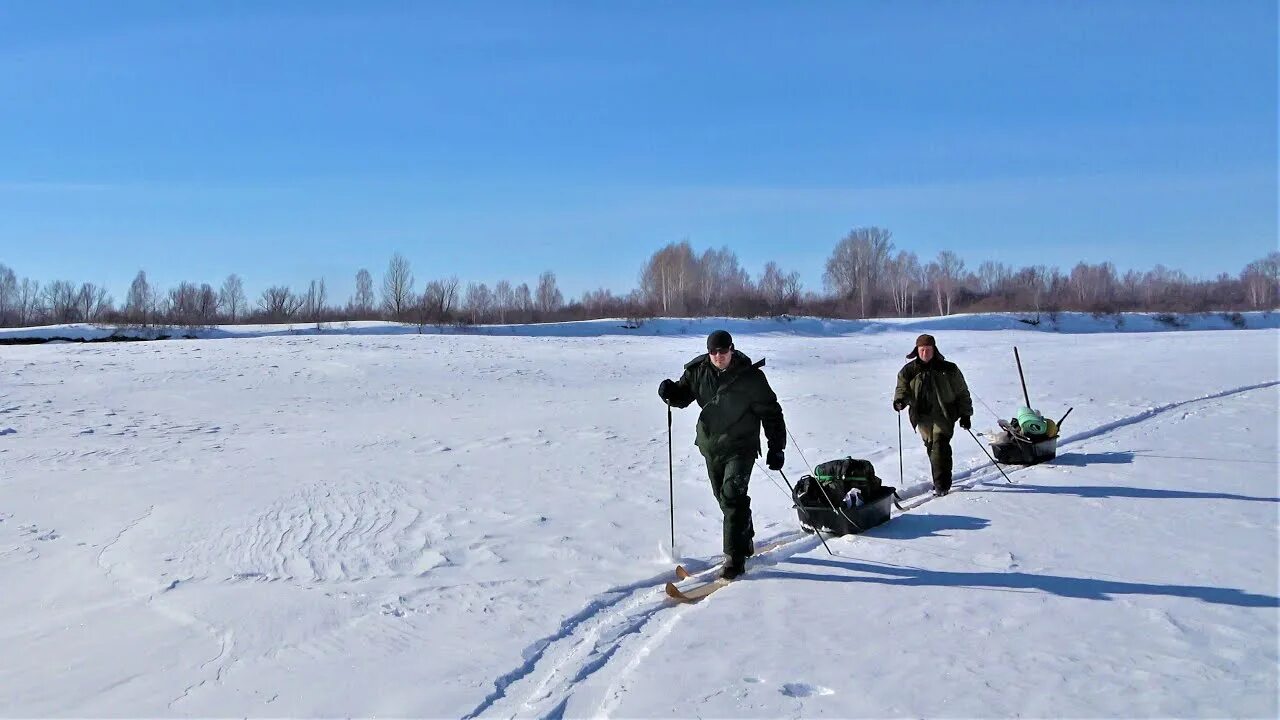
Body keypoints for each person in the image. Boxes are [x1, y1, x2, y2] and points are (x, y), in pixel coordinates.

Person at [658, 329, 786, 580]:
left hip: (742, 447)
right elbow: (683, 395)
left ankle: (734, 559)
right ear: (709, 353)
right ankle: (744, 533)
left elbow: (771, 412)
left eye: (723, 350)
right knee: (724, 499)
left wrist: (776, 447)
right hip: (712, 446)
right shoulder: (698, 372)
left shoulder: (751, 378)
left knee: (731, 496)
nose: (719, 356)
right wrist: (670, 394)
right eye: (714, 352)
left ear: (732, 349)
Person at [892, 334, 973, 496]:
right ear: (917, 351)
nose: (925, 353)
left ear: (934, 350)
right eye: (922, 350)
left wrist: (965, 414)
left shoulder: (949, 369)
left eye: (928, 350)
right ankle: (941, 479)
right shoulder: (909, 371)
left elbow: (962, 392)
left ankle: (942, 485)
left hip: (945, 414)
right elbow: (902, 388)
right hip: (921, 416)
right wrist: (899, 400)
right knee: (931, 446)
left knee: (940, 446)